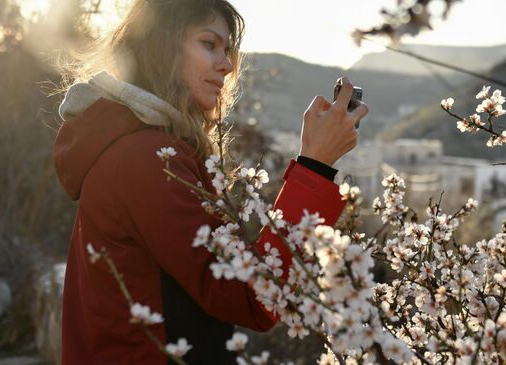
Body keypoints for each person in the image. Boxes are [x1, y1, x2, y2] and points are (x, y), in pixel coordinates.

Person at [53, 0, 369, 364]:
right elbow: (253, 295)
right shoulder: (145, 159)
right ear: (161, 47)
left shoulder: (151, 148)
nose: (228, 64)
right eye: (209, 44)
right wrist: (315, 166)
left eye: (228, 49)